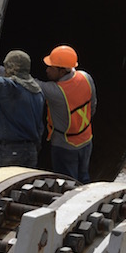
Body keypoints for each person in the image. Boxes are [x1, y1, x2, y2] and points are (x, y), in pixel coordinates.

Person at [38, 45, 96, 183]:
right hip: (86, 140)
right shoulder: (86, 78)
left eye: (51, 67)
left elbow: (28, 83)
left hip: (64, 146)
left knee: (67, 184)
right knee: (84, 177)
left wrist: (2, 70)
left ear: (62, 70)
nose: (47, 70)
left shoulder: (55, 92)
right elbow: (92, 106)